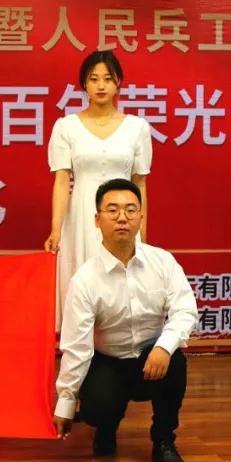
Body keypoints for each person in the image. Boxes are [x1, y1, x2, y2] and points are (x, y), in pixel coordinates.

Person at [52, 178, 197, 462]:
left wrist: (163, 347)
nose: (122, 218)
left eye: (131, 210)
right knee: (97, 408)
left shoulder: (163, 262)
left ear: (141, 217)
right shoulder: (85, 279)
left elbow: (185, 310)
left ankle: (164, 441)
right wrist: (65, 403)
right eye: (113, 210)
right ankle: (105, 429)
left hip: (150, 359)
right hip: (107, 363)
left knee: (175, 362)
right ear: (97, 220)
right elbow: (77, 346)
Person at [44, 50, 153, 323]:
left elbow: (140, 183)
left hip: (124, 215)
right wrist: (56, 229)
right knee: (81, 282)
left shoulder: (137, 127)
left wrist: (142, 232)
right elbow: (61, 181)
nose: (101, 85)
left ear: (118, 83)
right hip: (82, 215)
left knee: (122, 284)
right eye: (94, 79)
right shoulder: (66, 126)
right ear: (84, 84)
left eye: (108, 79)